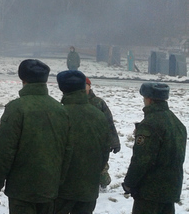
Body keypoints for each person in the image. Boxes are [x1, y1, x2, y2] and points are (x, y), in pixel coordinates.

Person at [0, 59, 72, 214]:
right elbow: (67, 150)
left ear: (23, 79)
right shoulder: (60, 110)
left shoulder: (16, 109)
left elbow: (3, 152)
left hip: (22, 190)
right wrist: (57, 182)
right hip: (49, 188)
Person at [123, 82, 186, 214]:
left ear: (148, 99)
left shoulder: (150, 124)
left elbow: (141, 160)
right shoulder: (176, 122)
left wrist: (129, 183)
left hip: (150, 192)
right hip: (171, 189)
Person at [54, 70, 110, 214]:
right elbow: (105, 151)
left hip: (61, 189)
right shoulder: (98, 115)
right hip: (88, 188)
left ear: (62, 88)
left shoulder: (58, 114)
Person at [85, 77, 121, 189]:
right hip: (82, 141)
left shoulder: (99, 103)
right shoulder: (73, 103)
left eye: (85, 85)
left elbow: (109, 123)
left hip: (98, 142)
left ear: (89, 87)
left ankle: (103, 182)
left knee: (102, 173)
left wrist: (114, 142)